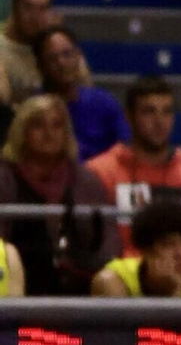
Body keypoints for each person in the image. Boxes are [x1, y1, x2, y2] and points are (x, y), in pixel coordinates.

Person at [0, 92, 114, 293]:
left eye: (57, 125)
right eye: (38, 125)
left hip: (80, 286)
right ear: (22, 131)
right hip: (18, 284)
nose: (49, 133)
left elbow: (107, 243)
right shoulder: (4, 178)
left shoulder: (86, 181)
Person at [85, 75, 181, 244]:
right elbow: (95, 242)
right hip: (122, 266)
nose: (159, 121)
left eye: (167, 112)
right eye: (149, 112)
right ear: (129, 117)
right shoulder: (100, 172)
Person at [34, 25, 130, 161]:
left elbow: (125, 149)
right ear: (41, 65)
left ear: (78, 56)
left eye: (67, 54)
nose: (61, 63)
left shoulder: (104, 103)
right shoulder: (33, 110)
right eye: (52, 58)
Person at [91, 199, 181, 299]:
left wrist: (175, 293)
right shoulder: (112, 279)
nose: (180, 253)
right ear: (146, 250)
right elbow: (125, 332)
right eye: (168, 244)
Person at [0, 0, 54, 102]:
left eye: (42, 9)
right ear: (15, 7)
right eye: (28, 7)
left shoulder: (52, 49)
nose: (34, 16)